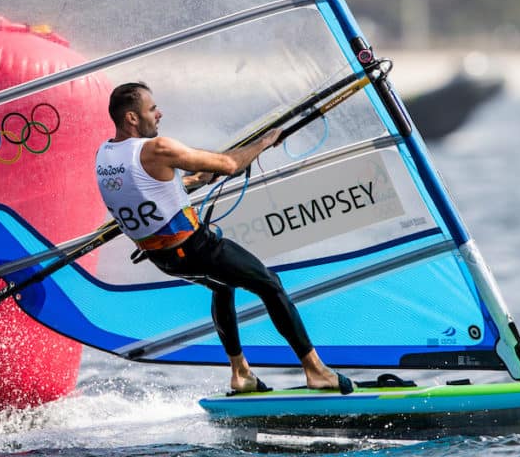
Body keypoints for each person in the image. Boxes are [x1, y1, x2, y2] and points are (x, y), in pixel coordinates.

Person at [95, 81, 353, 395]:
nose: (159, 113)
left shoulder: (106, 156)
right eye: (152, 109)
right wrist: (265, 142)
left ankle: (240, 372)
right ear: (132, 118)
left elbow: (147, 190)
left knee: (222, 286)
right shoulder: (157, 149)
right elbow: (230, 164)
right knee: (269, 284)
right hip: (195, 249)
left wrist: (196, 180)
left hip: (164, 259)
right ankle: (316, 370)